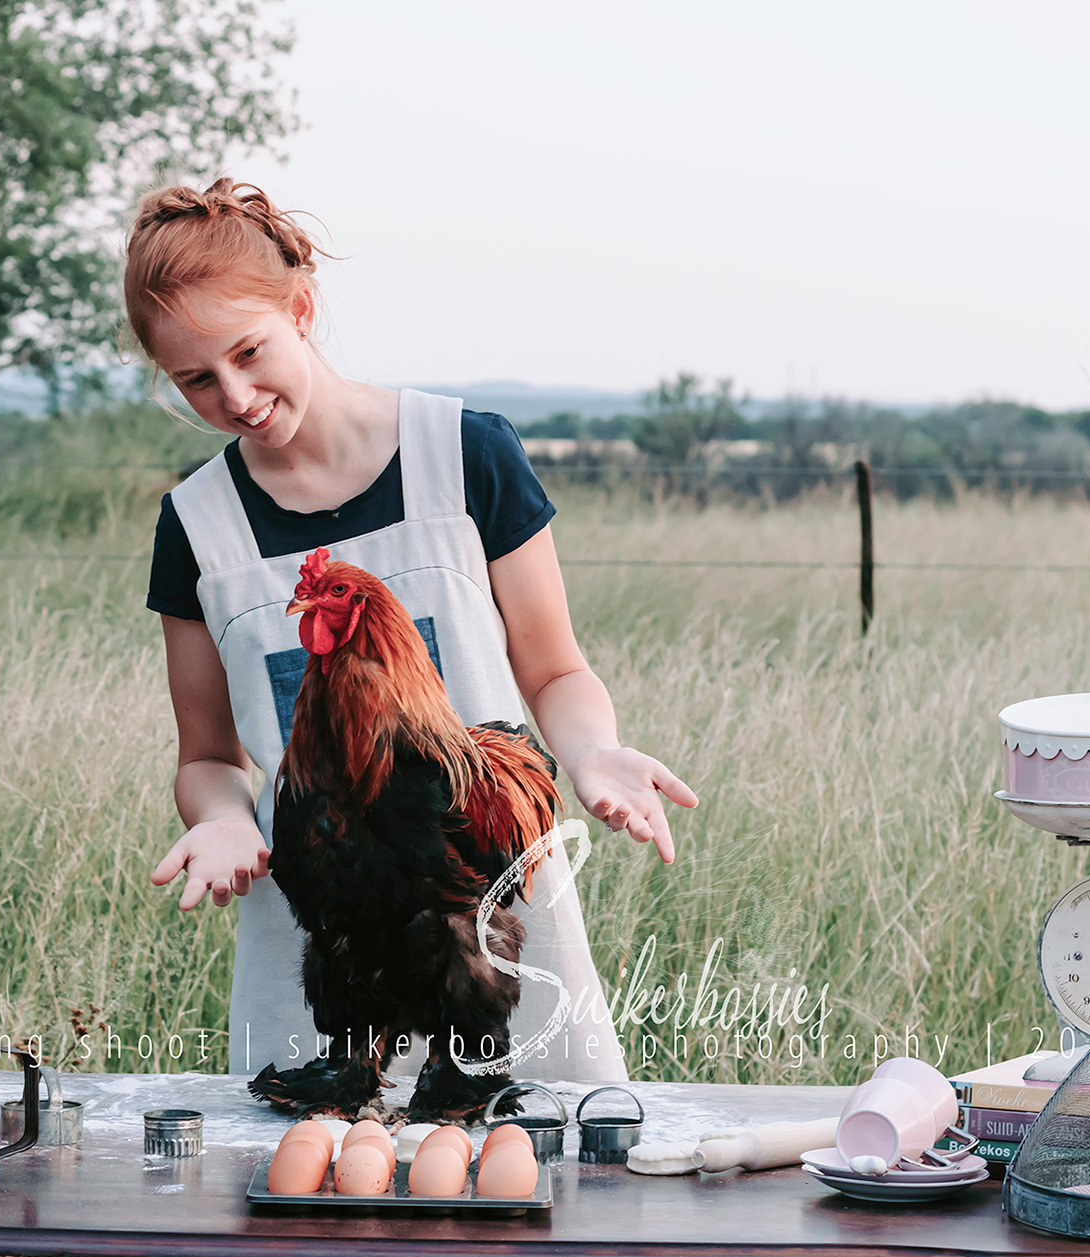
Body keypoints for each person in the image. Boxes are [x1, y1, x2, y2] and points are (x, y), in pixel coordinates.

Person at [128, 178, 696, 1084]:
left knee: (531, 1157)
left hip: (488, 908)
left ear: (300, 309)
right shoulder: (197, 525)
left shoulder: (465, 453)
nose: (234, 395)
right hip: (322, 927)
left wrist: (592, 751)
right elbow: (207, 754)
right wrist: (225, 819)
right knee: (315, 1163)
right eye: (197, 379)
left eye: (248, 351)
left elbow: (553, 672)